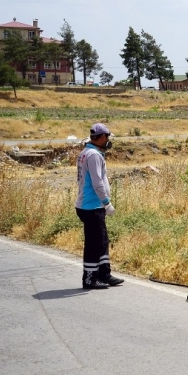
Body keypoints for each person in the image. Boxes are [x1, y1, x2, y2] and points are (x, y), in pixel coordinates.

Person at [75, 123, 123, 289]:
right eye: (107, 137)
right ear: (102, 137)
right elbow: (97, 183)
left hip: (91, 205)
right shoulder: (94, 155)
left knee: (102, 241)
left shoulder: (86, 152)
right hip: (91, 207)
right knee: (94, 245)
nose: (108, 140)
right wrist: (107, 203)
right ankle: (89, 279)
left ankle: (104, 274)